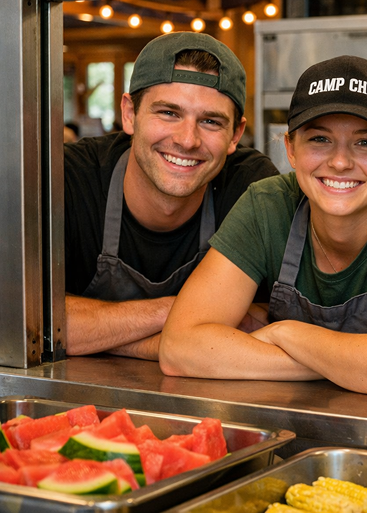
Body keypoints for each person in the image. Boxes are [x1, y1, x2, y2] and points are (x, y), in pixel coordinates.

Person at [158, 56, 367, 401]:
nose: (339, 162)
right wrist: (365, 366)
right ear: (290, 149)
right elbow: (180, 347)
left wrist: (286, 333)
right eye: (320, 139)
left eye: (365, 143)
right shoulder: (268, 204)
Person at [64, 32, 279, 360]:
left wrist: (97, 332)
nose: (187, 140)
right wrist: (184, 312)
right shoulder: (71, 176)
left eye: (210, 121)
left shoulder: (252, 188)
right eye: (168, 113)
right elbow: (27, 321)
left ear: (236, 134)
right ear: (129, 113)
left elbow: (273, 322)